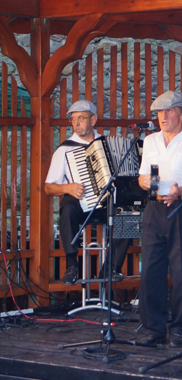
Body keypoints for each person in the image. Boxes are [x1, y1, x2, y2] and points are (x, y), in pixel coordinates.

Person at [137, 90, 182, 347]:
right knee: (151, 272)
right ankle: (152, 328)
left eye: (169, 111)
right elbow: (142, 177)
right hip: (154, 210)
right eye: (159, 112)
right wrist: (144, 181)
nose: (163, 117)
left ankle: (181, 329)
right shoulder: (151, 140)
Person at [45, 100, 108, 285]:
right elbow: (49, 187)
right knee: (67, 206)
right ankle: (72, 265)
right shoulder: (65, 149)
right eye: (73, 119)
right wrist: (67, 187)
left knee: (129, 213)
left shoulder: (106, 144)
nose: (76, 123)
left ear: (93, 120)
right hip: (80, 206)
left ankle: (111, 266)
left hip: (105, 204)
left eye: (81, 118)